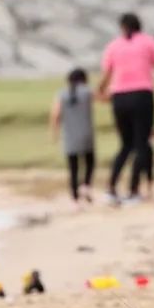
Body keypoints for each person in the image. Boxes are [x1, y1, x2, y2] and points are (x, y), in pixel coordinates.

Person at [97, 12, 154, 204]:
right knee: (142, 143)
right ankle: (133, 190)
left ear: (122, 28)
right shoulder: (149, 42)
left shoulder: (114, 45)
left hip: (119, 97)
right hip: (142, 95)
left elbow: (106, 75)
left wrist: (101, 92)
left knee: (126, 144)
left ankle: (111, 188)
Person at [50, 67, 96, 206]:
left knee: (73, 169)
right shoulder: (87, 91)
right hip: (86, 134)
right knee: (90, 162)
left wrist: (54, 133)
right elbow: (104, 97)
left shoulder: (61, 94)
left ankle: (75, 199)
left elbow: (56, 115)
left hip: (69, 136)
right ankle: (86, 185)